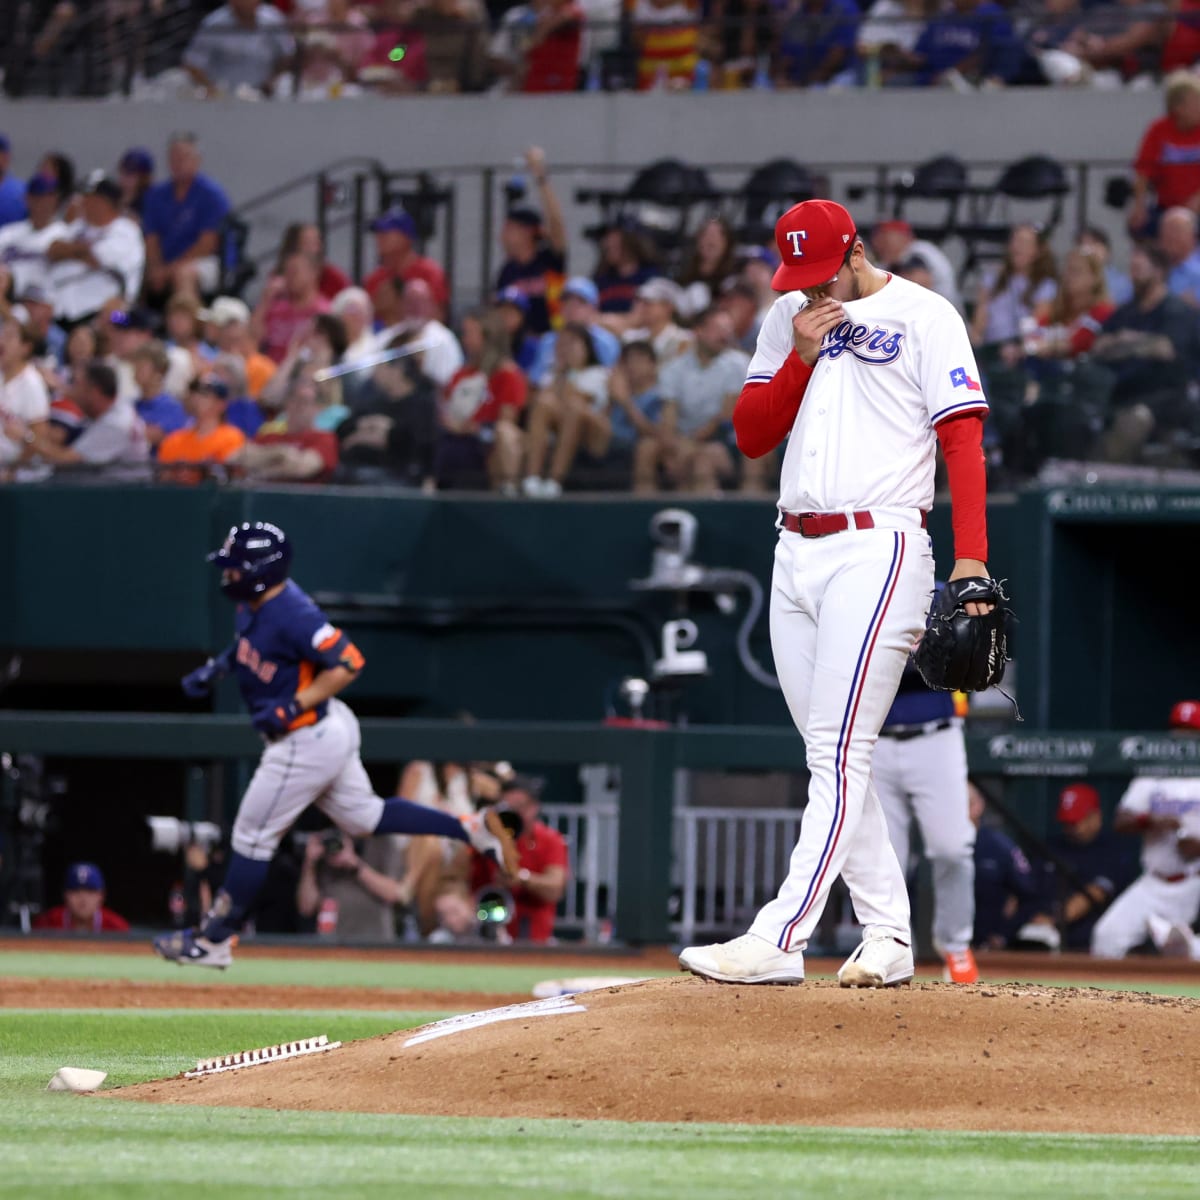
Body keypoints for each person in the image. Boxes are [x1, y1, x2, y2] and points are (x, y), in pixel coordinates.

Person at [679, 197, 995, 989]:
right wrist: (798, 357)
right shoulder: (790, 314)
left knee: (837, 750)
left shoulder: (925, 315)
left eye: (820, 271)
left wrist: (973, 563)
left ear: (856, 250)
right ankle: (888, 936)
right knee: (831, 753)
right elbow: (751, 434)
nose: (809, 288)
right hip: (794, 548)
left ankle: (782, 935)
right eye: (797, 274)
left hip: (880, 542)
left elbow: (962, 439)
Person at [152, 521, 519, 967]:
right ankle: (470, 827)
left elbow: (349, 661)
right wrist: (220, 667)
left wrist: (295, 704)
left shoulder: (293, 611)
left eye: (236, 567)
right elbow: (249, 644)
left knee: (251, 838)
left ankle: (214, 939)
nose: (227, 574)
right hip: (322, 732)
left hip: (304, 738)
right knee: (366, 816)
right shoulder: (252, 604)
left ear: (261, 571)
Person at [874, 638, 978, 984]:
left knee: (952, 848)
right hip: (876, 740)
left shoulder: (938, 596)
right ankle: (890, 943)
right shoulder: (860, 590)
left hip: (937, 737)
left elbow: (958, 662)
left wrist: (897, 661)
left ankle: (956, 946)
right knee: (884, 856)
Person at [1091, 701, 1200, 960]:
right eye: (1177, 730)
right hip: (1155, 882)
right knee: (1106, 938)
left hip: (1195, 880)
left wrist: (1192, 841)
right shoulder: (1153, 772)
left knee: (1190, 953)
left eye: (1190, 732)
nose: (1181, 738)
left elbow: (1192, 848)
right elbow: (1121, 820)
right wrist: (1153, 821)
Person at [1022, 782, 1138, 953]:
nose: (1070, 828)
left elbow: (1095, 893)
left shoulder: (1112, 851)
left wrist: (1053, 920)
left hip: (1087, 943)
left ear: (1096, 817)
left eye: (1076, 821)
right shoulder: (1051, 846)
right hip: (1039, 936)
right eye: (1066, 822)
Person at [472, 774, 568, 943]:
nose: (512, 813)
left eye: (519, 807)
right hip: (481, 929)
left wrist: (522, 877)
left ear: (534, 808)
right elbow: (457, 877)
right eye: (506, 807)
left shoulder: (549, 839)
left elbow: (556, 887)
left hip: (531, 937)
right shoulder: (485, 836)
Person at [141, 133, 232, 304]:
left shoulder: (211, 194)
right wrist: (155, 268)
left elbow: (207, 244)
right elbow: (151, 239)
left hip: (204, 262)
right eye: (174, 158)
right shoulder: (156, 195)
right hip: (163, 263)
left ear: (197, 160)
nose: (178, 163)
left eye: (184, 157)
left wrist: (168, 271)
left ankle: (187, 326)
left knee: (184, 274)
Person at [494, 147, 568, 337]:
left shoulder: (549, 260)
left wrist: (540, 176)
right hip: (519, 347)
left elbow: (556, 223)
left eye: (509, 228)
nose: (502, 235)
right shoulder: (507, 271)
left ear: (527, 232)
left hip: (550, 341)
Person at [295, 830, 408, 942]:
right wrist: (310, 863)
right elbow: (306, 907)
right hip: (333, 944)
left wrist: (354, 864)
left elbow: (394, 894)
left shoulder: (382, 841)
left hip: (375, 942)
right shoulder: (326, 841)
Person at [969, 781, 1041, 949]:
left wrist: (1003, 934)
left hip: (987, 946)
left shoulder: (999, 847)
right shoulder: (934, 847)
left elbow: (1029, 896)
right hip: (938, 946)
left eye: (965, 805)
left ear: (978, 806)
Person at [1129, 70, 1200, 238]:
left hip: (1196, 207)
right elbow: (1143, 171)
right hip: (1166, 208)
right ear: (1178, 107)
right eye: (1196, 102)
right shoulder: (1159, 129)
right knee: (1140, 226)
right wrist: (1139, 206)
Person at [33, 863, 129, 933]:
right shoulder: (47, 923)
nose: (83, 899)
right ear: (65, 895)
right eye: (75, 891)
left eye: (90, 892)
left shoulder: (117, 926)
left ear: (102, 896)